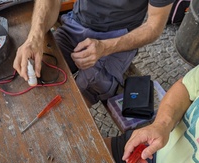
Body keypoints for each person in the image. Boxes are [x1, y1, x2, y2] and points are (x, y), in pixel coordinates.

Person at [13, 0, 174, 105]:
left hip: (119, 37)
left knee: (78, 98)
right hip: (77, 23)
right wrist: (34, 37)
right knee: (40, 71)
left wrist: (105, 47)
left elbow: (154, 27)